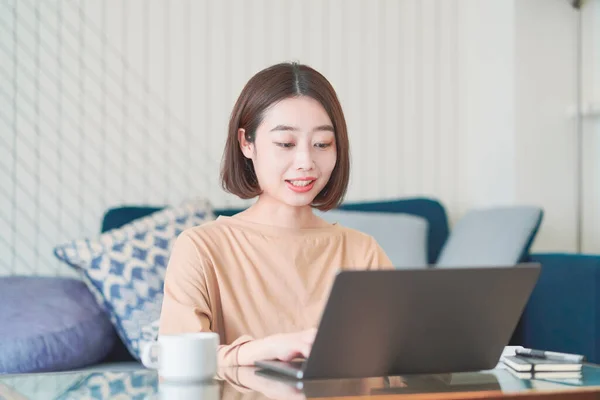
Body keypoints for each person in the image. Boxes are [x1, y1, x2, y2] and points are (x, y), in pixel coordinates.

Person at [158, 61, 393, 367]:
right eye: (285, 143)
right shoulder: (202, 247)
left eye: (322, 143)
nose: (306, 162)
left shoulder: (363, 252)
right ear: (247, 143)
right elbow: (175, 363)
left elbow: (398, 358)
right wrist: (263, 350)